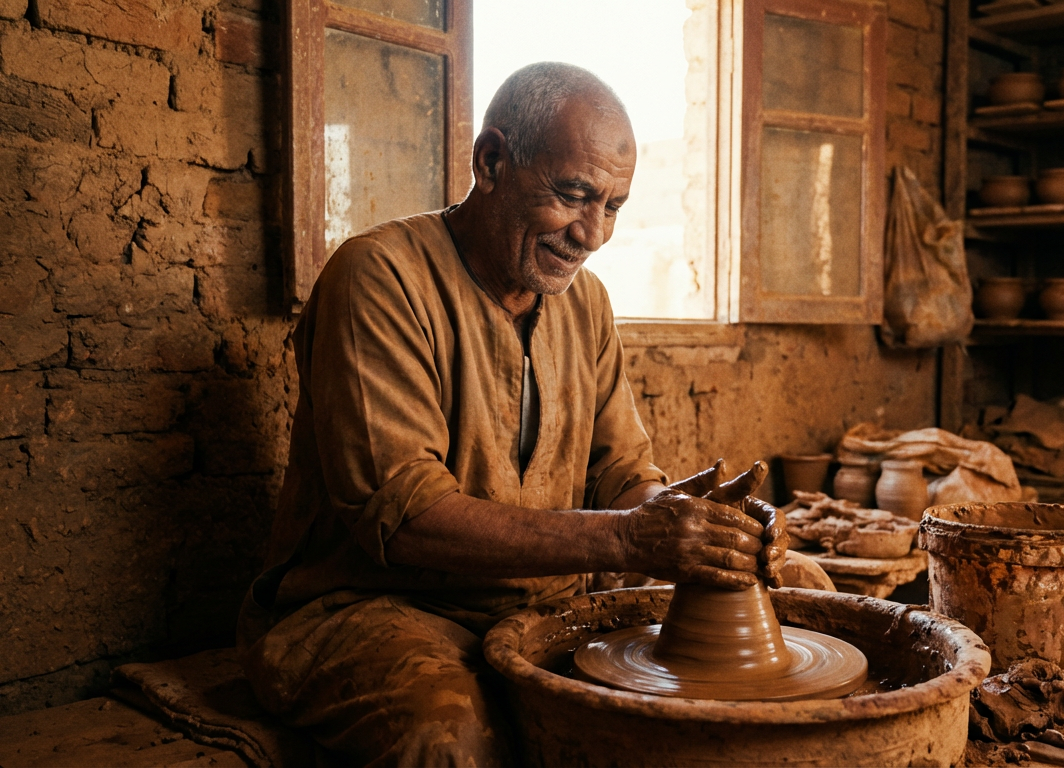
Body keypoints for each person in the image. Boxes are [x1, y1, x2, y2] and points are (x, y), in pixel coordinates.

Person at [237, 62, 791, 766]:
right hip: (374, 608)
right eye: (572, 196)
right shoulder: (378, 277)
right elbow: (405, 518)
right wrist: (629, 542)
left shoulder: (583, 304)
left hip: (537, 606)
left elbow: (620, 476)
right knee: (449, 738)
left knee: (800, 593)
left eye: (614, 206)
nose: (591, 234)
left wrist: (698, 527)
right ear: (492, 161)